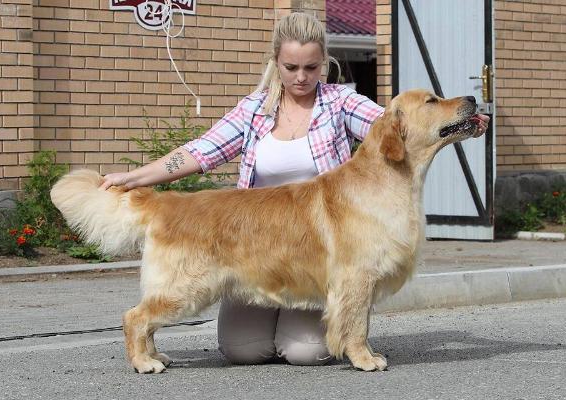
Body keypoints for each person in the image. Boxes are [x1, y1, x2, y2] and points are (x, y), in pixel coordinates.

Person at [100, 12, 490, 366]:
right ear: (276, 64)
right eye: (291, 67)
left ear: (324, 64)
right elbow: (201, 151)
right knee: (243, 350)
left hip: (307, 250)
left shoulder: (339, 103)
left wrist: (459, 126)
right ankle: (140, 332)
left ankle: (348, 341)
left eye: (311, 67)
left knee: (305, 351)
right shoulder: (254, 109)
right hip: (250, 238)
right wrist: (134, 179)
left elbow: (396, 124)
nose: (301, 77)